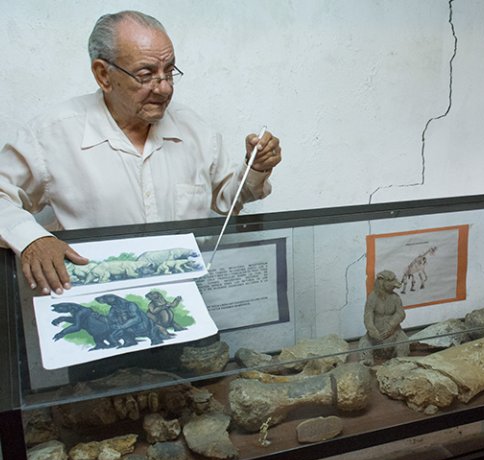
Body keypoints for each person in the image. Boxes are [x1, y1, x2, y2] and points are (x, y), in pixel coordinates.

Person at [0, 10, 281, 296]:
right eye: (147, 75)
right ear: (103, 75)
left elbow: (226, 199)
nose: (164, 88)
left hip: (182, 299)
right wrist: (32, 239)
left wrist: (255, 167)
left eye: (169, 72)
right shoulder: (52, 134)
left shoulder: (195, 130)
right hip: (97, 300)